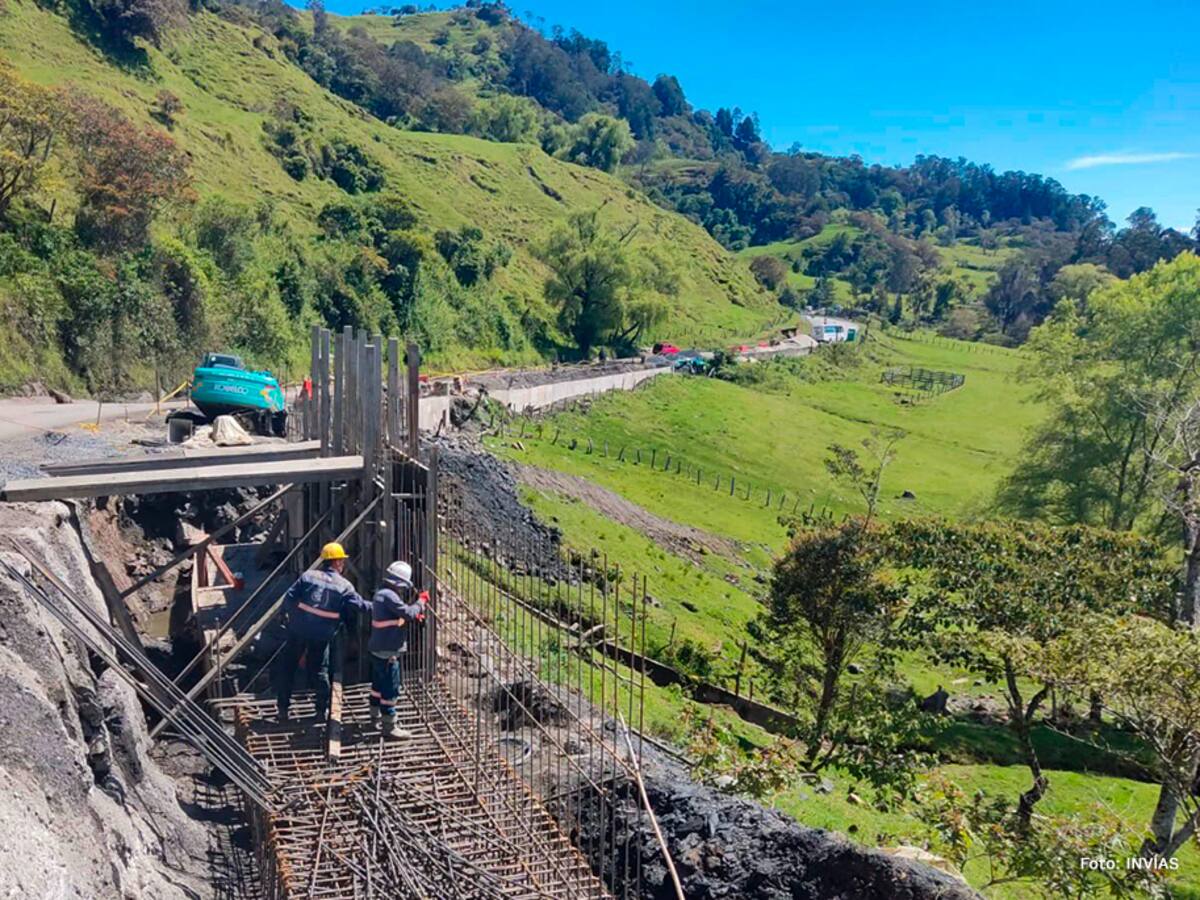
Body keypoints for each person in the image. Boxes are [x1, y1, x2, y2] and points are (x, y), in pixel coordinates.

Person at [275, 541, 369, 724]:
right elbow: (359, 607)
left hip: (298, 630)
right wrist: (382, 605)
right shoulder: (345, 586)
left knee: (287, 668)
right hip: (322, 635)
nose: (342, 564)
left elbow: (289, 597)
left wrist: (287, 616)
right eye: (341, 561)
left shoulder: (308, 576)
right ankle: (320, 711)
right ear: (337, 562)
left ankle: (283, 710)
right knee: (320, 672)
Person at [368, 560, 428, 739]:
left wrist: (410, 615)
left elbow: (396, 618)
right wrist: (420, 602)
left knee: (378, 683)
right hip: (388, 651)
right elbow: (407, 613)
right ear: (400, 583)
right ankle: (389, 726)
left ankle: (374, 713)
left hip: (377, 648)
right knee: (391, 688)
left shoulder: (380, 594)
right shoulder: (390, 596)